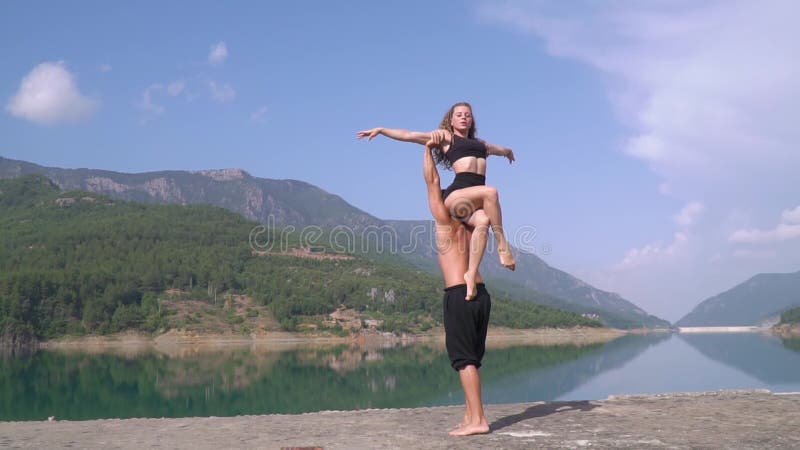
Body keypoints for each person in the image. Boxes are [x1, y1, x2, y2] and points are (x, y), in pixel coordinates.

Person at [357, 102, 515, 302]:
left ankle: (470, 275)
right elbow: (409, 135)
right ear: (451, 120)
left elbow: (500, 149)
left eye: (467, 114)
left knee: (483, 220)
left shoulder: (482, 145)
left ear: (472, 119)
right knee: (491, 192)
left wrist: (508, 152)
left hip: (474, 203)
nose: (464, 117)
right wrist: (381, 130)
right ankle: (502, 245)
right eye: (459, 114)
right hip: (457, 197)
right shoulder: (447, 138)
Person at [422, 138, 491, 436]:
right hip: (481, 294)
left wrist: (427, 150)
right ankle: (468, 415)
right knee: (472, 360)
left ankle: (478, 420)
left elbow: (432, 181)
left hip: (459, 294)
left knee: (463, 361)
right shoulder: (472, 223)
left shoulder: (444, 221)